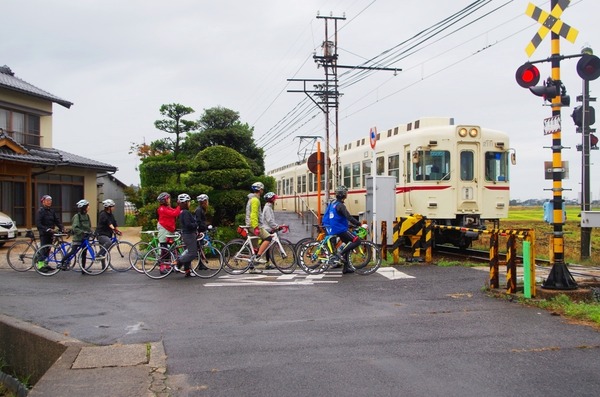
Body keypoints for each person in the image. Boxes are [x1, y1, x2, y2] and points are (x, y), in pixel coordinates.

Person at [322, 186, 363, 274]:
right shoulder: (340, 205)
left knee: (347, 244)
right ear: (343, 195)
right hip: (341, 229)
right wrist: (359, 224)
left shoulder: (334, 203)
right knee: (357, 241)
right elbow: (348, 217)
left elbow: (338, 217)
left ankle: (346, 268)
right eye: (346, 193)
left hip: (336, 227)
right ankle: (340, 254)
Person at [59, 199, 92, 271]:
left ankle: (83, 269)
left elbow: (89, 227)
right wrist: (82, 232)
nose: (89, 207)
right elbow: (75, 227)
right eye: (87, 206)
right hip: (78, 238)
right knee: (73, 251)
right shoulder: (77, 216)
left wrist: (92, 233)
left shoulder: (87, 216)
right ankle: (62, 262)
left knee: (84, 254)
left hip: (85, 238)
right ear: (84, 207)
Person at [35, 195, 64, 272]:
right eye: (47, 200)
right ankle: (40, 266)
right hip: (44, 233)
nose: (49, 202)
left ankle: (45, 264)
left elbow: (57, 220)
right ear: (43, 202)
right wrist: (46, 229)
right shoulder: (40, 211)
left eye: (50, 200)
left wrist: (62, 228)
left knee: (48, 249)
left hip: (51, 233)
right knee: (44, 249)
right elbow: (38, 223)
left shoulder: (52, 211)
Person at [245, 181, 269, 273]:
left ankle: (252, 268)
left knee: (254, 247)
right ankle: (258, 257)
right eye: (262, 189)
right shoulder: (255, 200)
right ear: (259, 190)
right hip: (253, 225)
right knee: (268, 238)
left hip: (250, 224)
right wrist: (256, 227)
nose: (262, 190)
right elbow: (253, 214)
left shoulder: (252, 199)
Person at [174, 193, 197, 277]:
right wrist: (196, 225)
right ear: (184, 203)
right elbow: (188, 224)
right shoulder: (186, 212)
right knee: (192, 253)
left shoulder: (182, 212)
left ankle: (187, 271)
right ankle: (178, 262)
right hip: (189, 235)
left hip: (186, 234)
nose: (189, 203)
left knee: (188, 252)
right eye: (188, 202)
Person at [260, 192, 281, 270]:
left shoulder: (268, 207)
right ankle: (263, 262)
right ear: (271, 199)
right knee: (266, 248)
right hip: (267, 229)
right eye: (274, 199)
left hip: (268, 229)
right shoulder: (268, 208)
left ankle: (267, 264)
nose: (275, 200)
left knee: (267, 248)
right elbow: (269, 220)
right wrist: (276, 226)